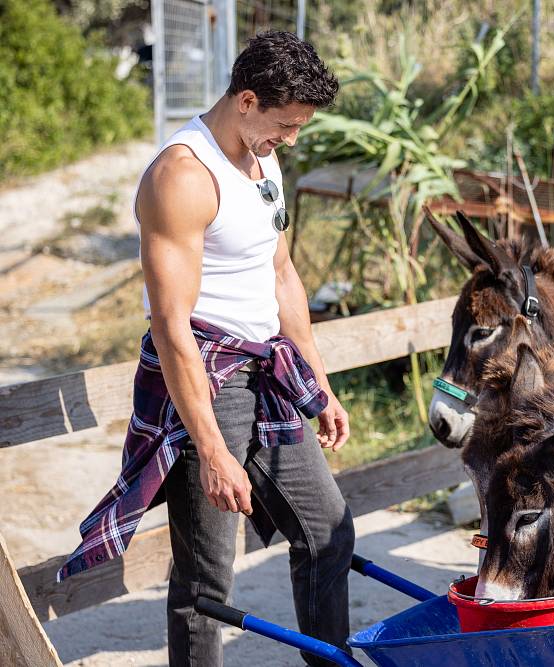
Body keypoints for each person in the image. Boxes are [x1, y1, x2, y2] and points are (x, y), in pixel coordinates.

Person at [59, 31, 355, 666]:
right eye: (286, 125)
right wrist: (214, 450)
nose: (292, 140)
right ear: (246, 100)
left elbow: (282, 275)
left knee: (329, 531)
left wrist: (319, 383)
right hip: (206, 380)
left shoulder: (263, 156)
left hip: (268, 377)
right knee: (207, 581)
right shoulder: (181, 176)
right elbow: (172, 327)